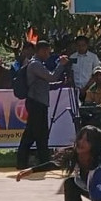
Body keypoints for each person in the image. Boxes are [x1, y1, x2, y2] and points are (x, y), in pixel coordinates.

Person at [16, 41, 69, 169]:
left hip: (39, 101)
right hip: (36, 102)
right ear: (40, 50)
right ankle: (36, 162)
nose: (48, 54)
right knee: (36, 134)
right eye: (47, 51)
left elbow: (45, 84)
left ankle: (37, 161)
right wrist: (61, 65)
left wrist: (60, 84)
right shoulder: (35, 65)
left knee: (36, 133)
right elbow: (51, 77)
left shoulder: (39, 64)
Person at [70, 36, 101, 102]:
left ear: (87, 45)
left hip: (90, 89)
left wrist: (86, 88)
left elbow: (96, 74)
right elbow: (70, 74)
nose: (81, 47)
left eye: (83, 45)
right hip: (75, 90)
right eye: (79, 45)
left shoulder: (93, 57)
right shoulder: (72, 57)